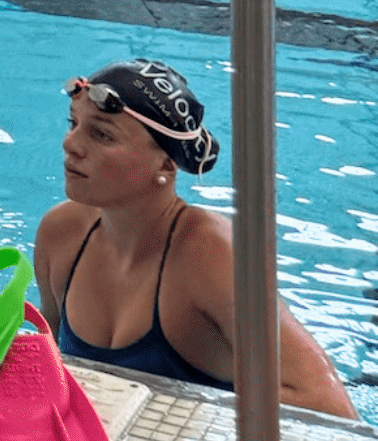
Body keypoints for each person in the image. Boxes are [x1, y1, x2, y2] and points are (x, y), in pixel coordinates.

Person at [34, 59, 354, 419]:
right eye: (74, 124)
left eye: (102, 135)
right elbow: (51, 360)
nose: (70, 144)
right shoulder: (61, 233)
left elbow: (331, 407)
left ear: (167, 165)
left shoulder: (212, 254)